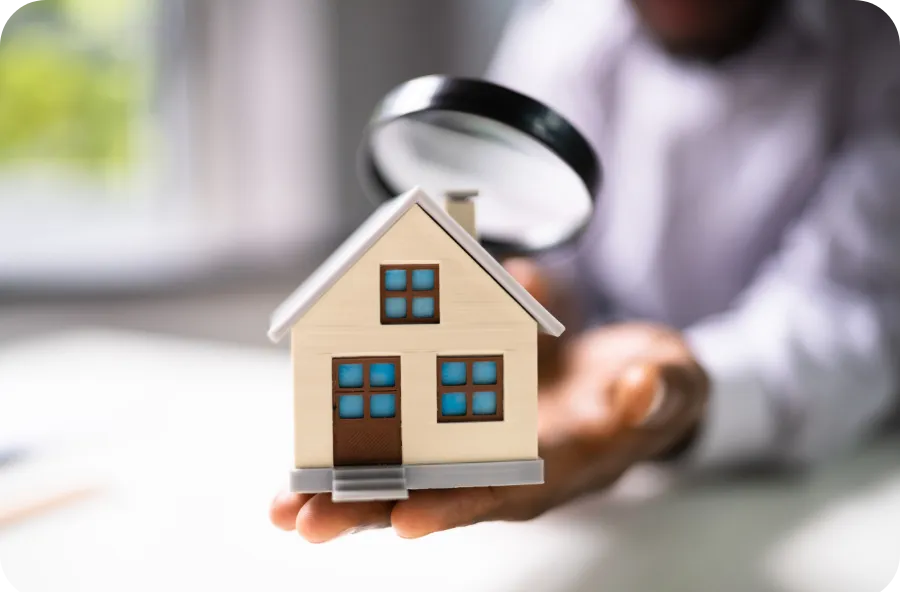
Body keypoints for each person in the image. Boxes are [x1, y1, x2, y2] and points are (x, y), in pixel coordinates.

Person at [271, 0, 900, 542]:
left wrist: (681, 396)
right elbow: (533, 241)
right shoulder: (564, 34)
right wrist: (542, 296)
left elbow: (849, 310)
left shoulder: (879, 55)